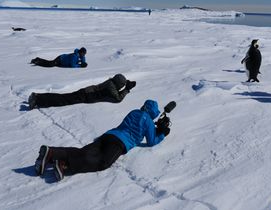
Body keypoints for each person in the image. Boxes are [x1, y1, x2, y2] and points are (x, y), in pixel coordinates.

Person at [34, 99, 171, 181]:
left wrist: (153, 126)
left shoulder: (134, 111)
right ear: (154, 112)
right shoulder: (148, 122)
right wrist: (162, 133)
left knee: (84, 152)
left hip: (109, 135)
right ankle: (65, 165)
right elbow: (151, 141)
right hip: (120, 143)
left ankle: (52, 153)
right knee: (101, 162)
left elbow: (135, 125)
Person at [28, 74, 136, 109]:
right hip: (86, 95)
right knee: (63, 100)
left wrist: (125, 85)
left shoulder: (111, 83)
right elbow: (117, 98)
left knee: (63, 98)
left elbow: (115, 91)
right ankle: (37, 100)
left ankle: (38, 97)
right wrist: (126, 89)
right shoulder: (111, 87)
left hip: (86, 92)